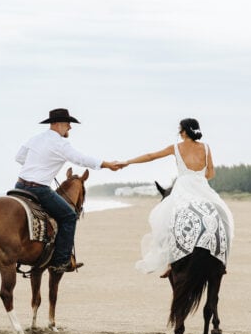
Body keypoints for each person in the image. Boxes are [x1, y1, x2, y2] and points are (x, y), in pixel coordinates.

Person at [15, 108, 123, 273]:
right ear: (57, 124)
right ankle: (61, 261)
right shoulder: (61, 144)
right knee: (69, 216)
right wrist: (107, 164)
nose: (70, 128)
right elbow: (81, 159)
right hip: (39, 189)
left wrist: (37, 165)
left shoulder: (35, 139)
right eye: (68, 124)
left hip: (19, 186)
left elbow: (19, 158)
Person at [121, 118, 234, 275]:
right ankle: (222, 262)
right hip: (203, 187)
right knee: (225, 219)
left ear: (185, 131)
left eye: (180, 130)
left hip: (183, 188)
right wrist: (198, 178)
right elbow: (211, 173)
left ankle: (170, 262)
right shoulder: (206, 148)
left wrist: (128, 162)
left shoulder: (176, 147)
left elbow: (151, 156)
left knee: (167, 221)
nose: (179, 133)